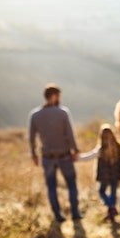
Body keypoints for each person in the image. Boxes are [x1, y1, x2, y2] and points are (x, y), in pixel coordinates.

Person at [28, 83, 83, 222]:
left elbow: (31, 137)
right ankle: (75, 213)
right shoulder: (63, 112)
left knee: (51, 187)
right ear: (53, 96)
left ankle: (58, 215)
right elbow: (70, 135)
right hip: (64, 155)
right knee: (71, 184)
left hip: (47, 157)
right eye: (58, 96)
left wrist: (34, 154)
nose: (59, 98)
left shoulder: (35, 115)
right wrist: (75, 150)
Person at [78, 123, 120, 221]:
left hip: (105, 176)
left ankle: (111, 208)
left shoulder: (101, 149)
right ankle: (112, 209)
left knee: (102, 191)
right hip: (116, 175)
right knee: (113, 193)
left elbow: (89, 156)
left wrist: (77, 158)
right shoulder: (118, 147)